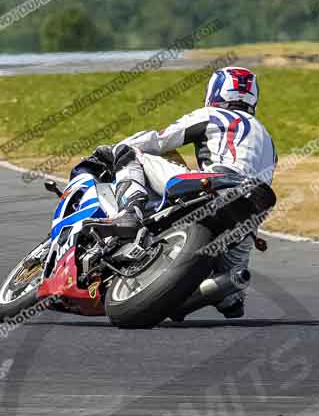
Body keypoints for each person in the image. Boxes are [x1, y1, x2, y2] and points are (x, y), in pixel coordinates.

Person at [86, 67, 277, 318]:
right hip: (250, 212)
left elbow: (159, 141)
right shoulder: (267, 139)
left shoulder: (212, 114)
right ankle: (222, 289)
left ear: (215, 90)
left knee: (130, 154)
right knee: (231, 300)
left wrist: (113, 149)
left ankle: (129, 211)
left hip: (215, 184)